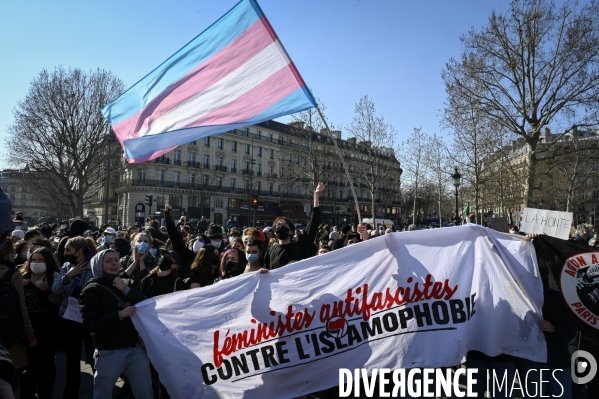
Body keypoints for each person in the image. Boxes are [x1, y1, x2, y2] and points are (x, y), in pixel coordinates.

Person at [79, 250, 154, 399]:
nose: (114, 264)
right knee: (103, 395)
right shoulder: (91, 290)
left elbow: (144, 304)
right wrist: (119, 315)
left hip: (135, 349)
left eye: (116, 260)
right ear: (99, 265)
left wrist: (125, 289)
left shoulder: (123, 283)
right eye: (108, 261)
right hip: (109, 353)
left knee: (145, 392)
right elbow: (90, 324)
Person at [51, 236, 97, 399]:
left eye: (68, 250)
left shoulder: (95, 266)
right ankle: (70, 394)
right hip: (70, 319)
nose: (64, 253)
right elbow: (56, 290)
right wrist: (69, 276)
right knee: (72, 360)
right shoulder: (67, 266)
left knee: (94, 358)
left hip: (90, 319)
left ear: (79, 251)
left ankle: (100, 391)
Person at [18, 247, 62, 399]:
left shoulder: (53, 276)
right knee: (27, 371)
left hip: (48, 330)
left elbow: (58, 302)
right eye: (34, 260)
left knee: (46, 369)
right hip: (27, 329)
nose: (37, 263)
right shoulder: (22, 276)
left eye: (41, 260)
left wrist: (46, 290)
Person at [264, 182, 324, 269]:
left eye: (284, 224)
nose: (281, 227)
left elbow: (314, 223)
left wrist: (316, 195)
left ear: (291, 231)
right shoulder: (271, 250)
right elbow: (266, 268)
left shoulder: (300, 246)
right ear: (275, 232)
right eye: (278, 225)